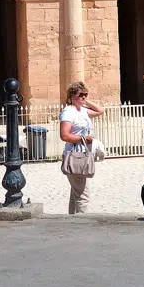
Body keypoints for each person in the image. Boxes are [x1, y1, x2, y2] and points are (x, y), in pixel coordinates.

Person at [59, 81, 104, 214]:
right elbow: (65, 135)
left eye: (85, 94)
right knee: (83, 194)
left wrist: (86, 101)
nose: (83, 97)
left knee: (76, 192)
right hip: (74, 154)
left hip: (84, 153)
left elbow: (100, 111)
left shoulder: (83, 111)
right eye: (81, 95)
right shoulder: (68, 112)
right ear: (72, 96)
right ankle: (82, 221)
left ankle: (72, 219)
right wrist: (82, 138)